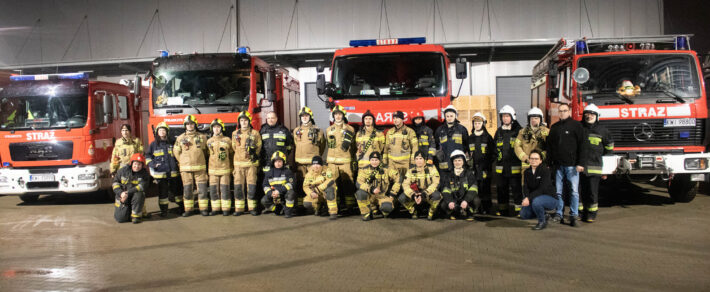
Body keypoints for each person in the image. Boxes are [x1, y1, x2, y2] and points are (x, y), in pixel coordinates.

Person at [547, 103, 585, 227]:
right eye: (560, 111)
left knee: (574, 192)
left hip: (573, 166)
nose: (562, 113)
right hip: (558, 166)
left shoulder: (576, 126)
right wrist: (549, 163)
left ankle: (573, 215)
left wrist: (580, 163)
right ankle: (559, 214)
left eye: (564, 110)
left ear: (569, 111)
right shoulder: (554, 127)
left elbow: (582, 146)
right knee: (558, 192)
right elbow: (550, 147)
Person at [580, 104, 613, 222]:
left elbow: (609, 148)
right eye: (587, 114)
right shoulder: (579, 128)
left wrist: (599, 156)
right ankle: (581, 212)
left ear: (597, 116)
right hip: (580, 167)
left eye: (592, 114)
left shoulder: (603, 131)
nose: (589, 116)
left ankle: (592, 213)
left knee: (592, 192)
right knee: (580, 191)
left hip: (595, 166)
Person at [174, 115, 209, 217]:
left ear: (195, 125)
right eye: (188, 124)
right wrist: (182, 161)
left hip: (200, 167)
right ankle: (189, 209)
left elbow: (206, 151)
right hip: (186, 168)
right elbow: (176, 152)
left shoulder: (202, 137)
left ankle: (203, 209)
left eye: (192, 124)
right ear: (185, 125)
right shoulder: (180, 138)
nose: (190, 126)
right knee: (188, 190)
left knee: (202, 189)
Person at [145, 121, 182, 217]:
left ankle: (180, 208)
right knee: (163, 194)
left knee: (177, 192)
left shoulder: (173, 142)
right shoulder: (153, 144)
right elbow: (147, 156)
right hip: (161, 174)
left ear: (167, 132)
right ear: (157, 132)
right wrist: (153, 165)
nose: (162, 132)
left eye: (164, 130)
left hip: (174, 173)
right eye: (160, 130)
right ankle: (164, 211)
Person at [292, 106, 325, 210]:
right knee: (301, 183)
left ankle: (316, 205)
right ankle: (301, 205)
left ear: (310, 117)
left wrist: (316, 157)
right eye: (302, 116)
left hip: (312, 163)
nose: (304, 118)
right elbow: (296, 144)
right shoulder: (296, 130)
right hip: (300, 163)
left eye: (306, 116)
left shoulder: (318, 131)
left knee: (314, 183)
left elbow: (322, 146)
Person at [325, 105, 357, 214]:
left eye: (339, 114)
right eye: (335, 114)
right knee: (333, 184)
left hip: (345, 161)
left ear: (343, 115)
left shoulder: (350, 129)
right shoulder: (328, 129)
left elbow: (353, 147)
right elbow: (325, 145)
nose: (338, 116)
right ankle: (336, 206)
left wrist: (352, 159)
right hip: (332, 162)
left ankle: (350, 206)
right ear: (333, 116)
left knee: (348, 183)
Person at [493, 105, 523, 216]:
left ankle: (519, 211)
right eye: (503, 116)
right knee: (501, 189)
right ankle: (503, 210)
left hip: (514, 167)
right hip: (501, 168)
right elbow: (494, 148)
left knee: (516, 190)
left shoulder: (519, 131)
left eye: (507, 116)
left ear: (512, 117)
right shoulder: (499, 131)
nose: (505, 118)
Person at [355, 152, 401, 221]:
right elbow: (359, 183)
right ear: (369, 160)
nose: (374, 162)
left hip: (383, 196)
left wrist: (393, 193)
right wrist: (371, 189)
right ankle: (366, 213)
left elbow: (399, 178)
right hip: (370, 196)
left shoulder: (386, 169)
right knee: (360, 193)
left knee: (387, 208)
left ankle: (381, 210)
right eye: (372, 160)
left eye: (376, 160)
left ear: (380, 160)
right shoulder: (364, 170)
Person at [232, 111, 262, 216]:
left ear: (249, 121)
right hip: (238, 165)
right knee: (238, 186)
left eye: (245, 120)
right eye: (241, 120)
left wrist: (253, 155)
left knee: (252, 186)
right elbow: (234, 148)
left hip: (251, 165)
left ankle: (252, 208)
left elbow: (258, 147)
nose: (243, 122)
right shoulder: (235, 134)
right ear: (239, 122)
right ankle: (239, 209)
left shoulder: (255, 133)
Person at [520, 150, 558, 230]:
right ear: (529, 160)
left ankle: (542, 222)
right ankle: (544, 214)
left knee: (537, 202)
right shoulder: (527, 172)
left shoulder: (545, 171)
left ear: (540, 160)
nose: (533, 160)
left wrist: (529, 198)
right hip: (534, 197)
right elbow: (525, 187)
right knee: (524, 215)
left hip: (550, 198)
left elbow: (542, 189)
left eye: (536, 159)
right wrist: (526, 197)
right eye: (532, 158)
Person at [400, 150, 441, 220]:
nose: (418, 161)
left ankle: (431, 212)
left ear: (424, 159)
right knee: (402, 198)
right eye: (416, 159)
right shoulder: (410, 170)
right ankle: (413, 211)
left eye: (421, 158)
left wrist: (424, 194)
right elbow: (405, 184)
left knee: (437, 196)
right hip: (415, 194)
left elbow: (436, 183)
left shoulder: (432, 168)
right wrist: (413, 195)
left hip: (427, 194)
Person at [441, 150, 479, 221]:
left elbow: (474, 188)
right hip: (454, 200)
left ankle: (469, 213)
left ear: (463, 161)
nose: (457, 162)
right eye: (455, 161)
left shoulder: (469, 173)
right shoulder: (449, 175)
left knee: (476, 200)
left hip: (465, 199)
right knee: (443, 204)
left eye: (459, 160)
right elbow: (446, 190)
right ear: (452, 162)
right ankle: (454, 212)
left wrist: (466, 200)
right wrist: (450, 201)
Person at [112, 153, 150, 224]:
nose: (137, 166)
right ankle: (127, 213)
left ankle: (136, 216)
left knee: (140, 194)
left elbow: (141, 187)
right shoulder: (122, 171)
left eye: (139, 164)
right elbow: (115, 183)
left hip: (133, 196)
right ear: (131, 163)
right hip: (122, 197)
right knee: (121, 219)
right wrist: (121, 193)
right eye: (135, 164)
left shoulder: (145, 174)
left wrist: (127, 192)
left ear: (142, 165)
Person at [206, 118, 233, 216]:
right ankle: (215, 209)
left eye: (218, 127)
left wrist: (232, 168)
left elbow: (231, 155)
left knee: (225, 189)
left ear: (222, 128)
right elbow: (206, 154)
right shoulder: (208, 141)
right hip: (213, 170)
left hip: (224, 169)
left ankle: (226, 209)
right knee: (213, 190)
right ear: (212, 129)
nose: (216, 129)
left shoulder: (227, 140)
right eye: (214, 127)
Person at [468, 112, 494, 214]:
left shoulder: (488, 137)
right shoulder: (470, 138)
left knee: (485, 188)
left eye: (479, 123)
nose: (477, 125)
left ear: (483, 124)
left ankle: (487, 208)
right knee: (475, 188)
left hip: (485, 169)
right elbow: (467, 153)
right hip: (474, 169)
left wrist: (487, 164)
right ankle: (477, 207)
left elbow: (494, 153)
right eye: (475, 123)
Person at [514, 107, 549, 180]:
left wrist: (541, 157)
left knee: (541, 186)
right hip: (526, 165)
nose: (533, 120)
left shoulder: (547, 132)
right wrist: (525, 158)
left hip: (541, 165)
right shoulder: (522, 132)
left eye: (536, 118)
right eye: (531, 118)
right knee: (526, 186)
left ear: (541, 119)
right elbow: (517, 146)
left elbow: (550, 147)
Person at [434, 105, 469, 175]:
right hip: (444, 163)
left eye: (451, 116)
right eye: (447, 116)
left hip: (458, 163)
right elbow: (436, 145)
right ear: (445, 117)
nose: (449, 118)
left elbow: (467, 145)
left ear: (455, 116)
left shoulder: (462, 129)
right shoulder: (439, 130)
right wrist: (438, 153)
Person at [261, 151, 297, 218]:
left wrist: (279, 191)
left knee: (291, 193)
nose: (278, 163)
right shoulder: (269, 173)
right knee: (264, 201)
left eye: (280, 161)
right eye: (276, 161)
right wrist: (271, 193)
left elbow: (291, 184)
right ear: (273, 162)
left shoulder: (287, 172)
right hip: (274, 195)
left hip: (284, 194)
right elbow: (265, 185)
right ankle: (277, 209)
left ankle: (288, 212)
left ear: (283, 162)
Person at [384, 110, 419, 179]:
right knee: (394, 184)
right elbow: (386, 148)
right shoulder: (390, 132)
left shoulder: (410, 131)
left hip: (405, 164)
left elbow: (415, 148)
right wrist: (385, 161)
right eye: (394, 118)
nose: (395, 120)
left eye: (397, 118)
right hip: (392, 164)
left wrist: (413, 162)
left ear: (402, 119)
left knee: (405, 184)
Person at [302, 156, 338, 220]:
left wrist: (317, 189)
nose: (315, 166)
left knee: (330, 190)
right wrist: (311, 193)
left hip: (325, 192)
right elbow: (305, 186)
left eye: (318, 164)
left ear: (321, 165)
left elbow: (330, 180)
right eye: (314, 164)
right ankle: (318, 208)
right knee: (307, 203)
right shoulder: (309, 174)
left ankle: (333, 212)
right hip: (317, 194)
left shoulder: (327, 170)